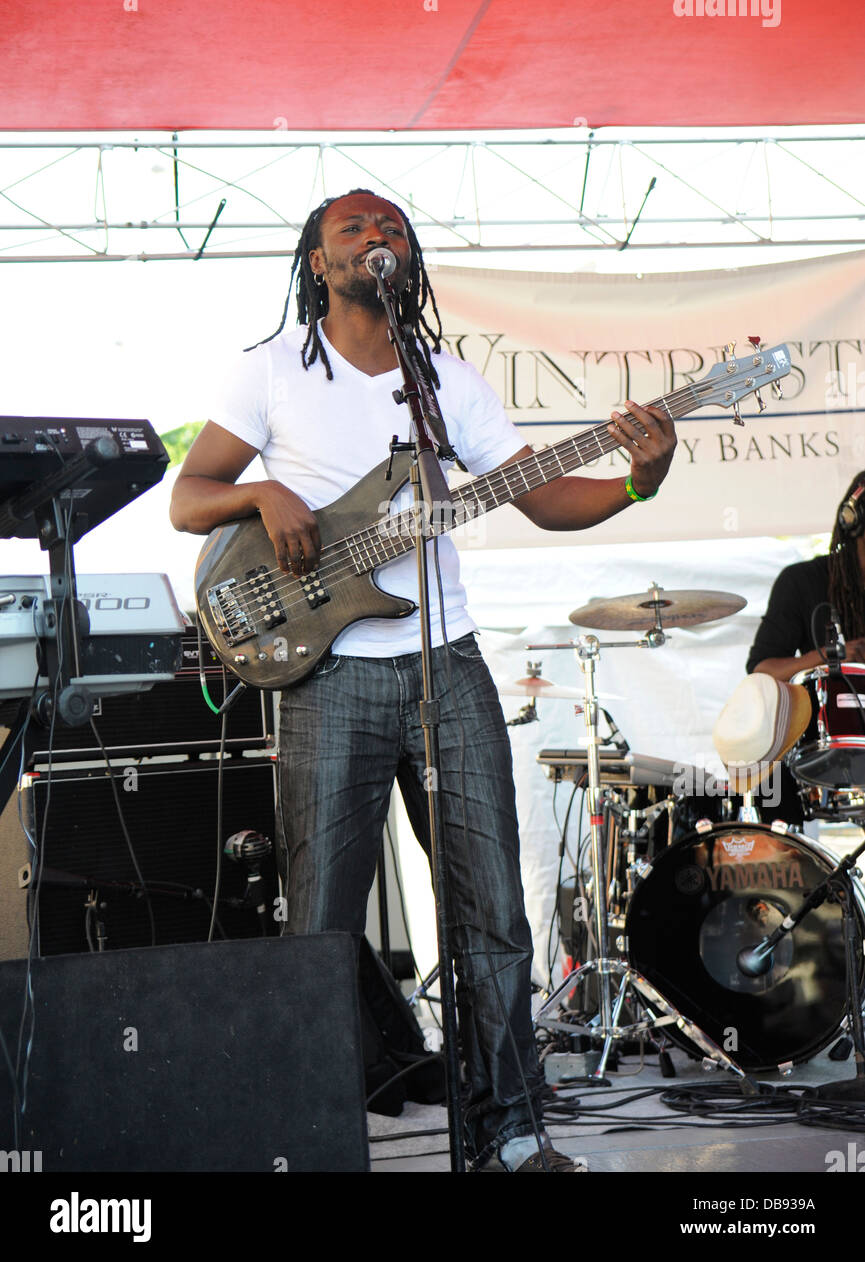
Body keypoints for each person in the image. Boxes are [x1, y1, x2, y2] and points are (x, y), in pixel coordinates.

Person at [169, 188, 677, 1172]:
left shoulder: (439, 378)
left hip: (447, 663)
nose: (377, 238)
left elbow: (540, 494)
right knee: (319, 921)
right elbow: (190, 497)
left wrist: (634, 477)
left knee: (491, 910)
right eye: (354, 229)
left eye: (392, 226)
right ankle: (310, 1139)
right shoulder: (268, 371)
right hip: (327, 677)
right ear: (317, 263)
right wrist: (260, 490)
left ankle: (511, 1135)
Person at [746, 470, 865, 821]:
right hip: (824, 742)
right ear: (854, 523)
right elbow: (762, 672)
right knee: (770, 784)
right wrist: (828, 658)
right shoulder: (802, 582)